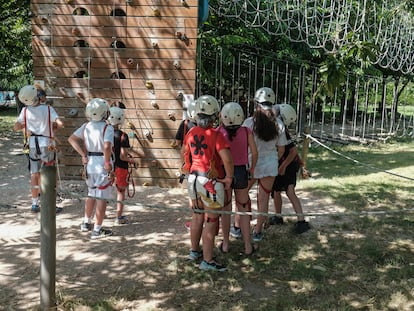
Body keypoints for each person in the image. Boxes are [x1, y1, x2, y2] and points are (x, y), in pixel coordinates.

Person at [181, 94, 234, 271]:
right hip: (208, 181)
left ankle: (194, 251)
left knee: (197, 216)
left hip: (193, 179)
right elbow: (227, 159)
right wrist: (228, 178)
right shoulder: (217, 135)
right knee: (211, 220)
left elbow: (184, 153)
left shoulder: (190, 132)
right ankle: (208, 260)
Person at [231, 87, 287, 242]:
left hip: (250, 164)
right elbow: (281, 149)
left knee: (241, 196)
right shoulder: (279, 124)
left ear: (256, 104)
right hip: (270, 165)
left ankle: (237, 227)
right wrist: (274, 160)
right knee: (263, 199)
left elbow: (242, 145)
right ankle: (258, 231)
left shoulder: (249, 123)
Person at [68, 98, 115, 239]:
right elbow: (107, 146)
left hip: (90, 164)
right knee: (101, 197)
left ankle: (86, 222)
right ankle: (97, 229)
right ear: (104, 113)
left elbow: (71, 139)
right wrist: (107, 162)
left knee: (91, 193)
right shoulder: (108, 128)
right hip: (101, 164)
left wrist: (83, 154)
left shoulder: (86, 126)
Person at [13, 85, 64, 213]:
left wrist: (28, 125)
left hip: (32, 145)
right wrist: (52, 129)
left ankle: (35, 203)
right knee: (49, 173)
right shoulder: (48, 109)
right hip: (46, 144)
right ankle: (50, 204)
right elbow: (61, 124)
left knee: (34, 174)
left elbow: (16, 127)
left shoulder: (25, 111)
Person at [217, 102, 258, 255]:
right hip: (241, 172)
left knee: (226, 210)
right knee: (243, 208)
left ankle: (226, 244)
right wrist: (252, 168)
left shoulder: (218, 131)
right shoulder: (247, 131)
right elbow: (254, 152)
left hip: (223, 172)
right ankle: (248, 246)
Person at [270, 103, 311, 234]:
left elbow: (293, 152)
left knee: (290, 191)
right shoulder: (277, 129)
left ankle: (301, 221)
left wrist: (283, 166)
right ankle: (278, 216)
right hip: (280, 165)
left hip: (288, 165)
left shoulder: (283, 132)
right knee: (276, 191)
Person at [108, 106, 139, 225]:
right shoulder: (123, 136)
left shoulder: (104, 133)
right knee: (120, 192)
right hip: (120, 167)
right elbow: (122, 156)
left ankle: (101, 214)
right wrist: (133, 161)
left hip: (107, 166)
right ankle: (119, 217)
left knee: (103, 191)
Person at [175, 100, 197, 230]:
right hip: (203, 162)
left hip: (189, 161)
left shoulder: (184, 124)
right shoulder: (204, 125)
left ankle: (195, 219)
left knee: (192, 191)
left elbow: (178, 142)